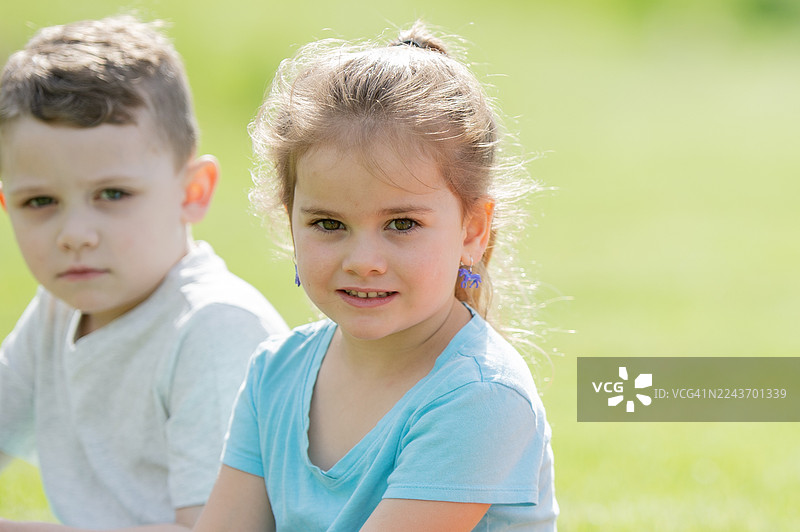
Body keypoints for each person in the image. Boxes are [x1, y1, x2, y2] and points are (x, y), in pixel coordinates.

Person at [195, 21, 557, 531]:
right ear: (290, 221)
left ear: (473, 230)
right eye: (328, 224)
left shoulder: (481, 396)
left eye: (402, 224)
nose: (363, 259)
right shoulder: (275, 373)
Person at [0, 15, 288, 531]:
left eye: (113, 194)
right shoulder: (59, 307)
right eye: (39, 201)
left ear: (192, 191)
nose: (75, 233)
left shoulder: (213, 329)